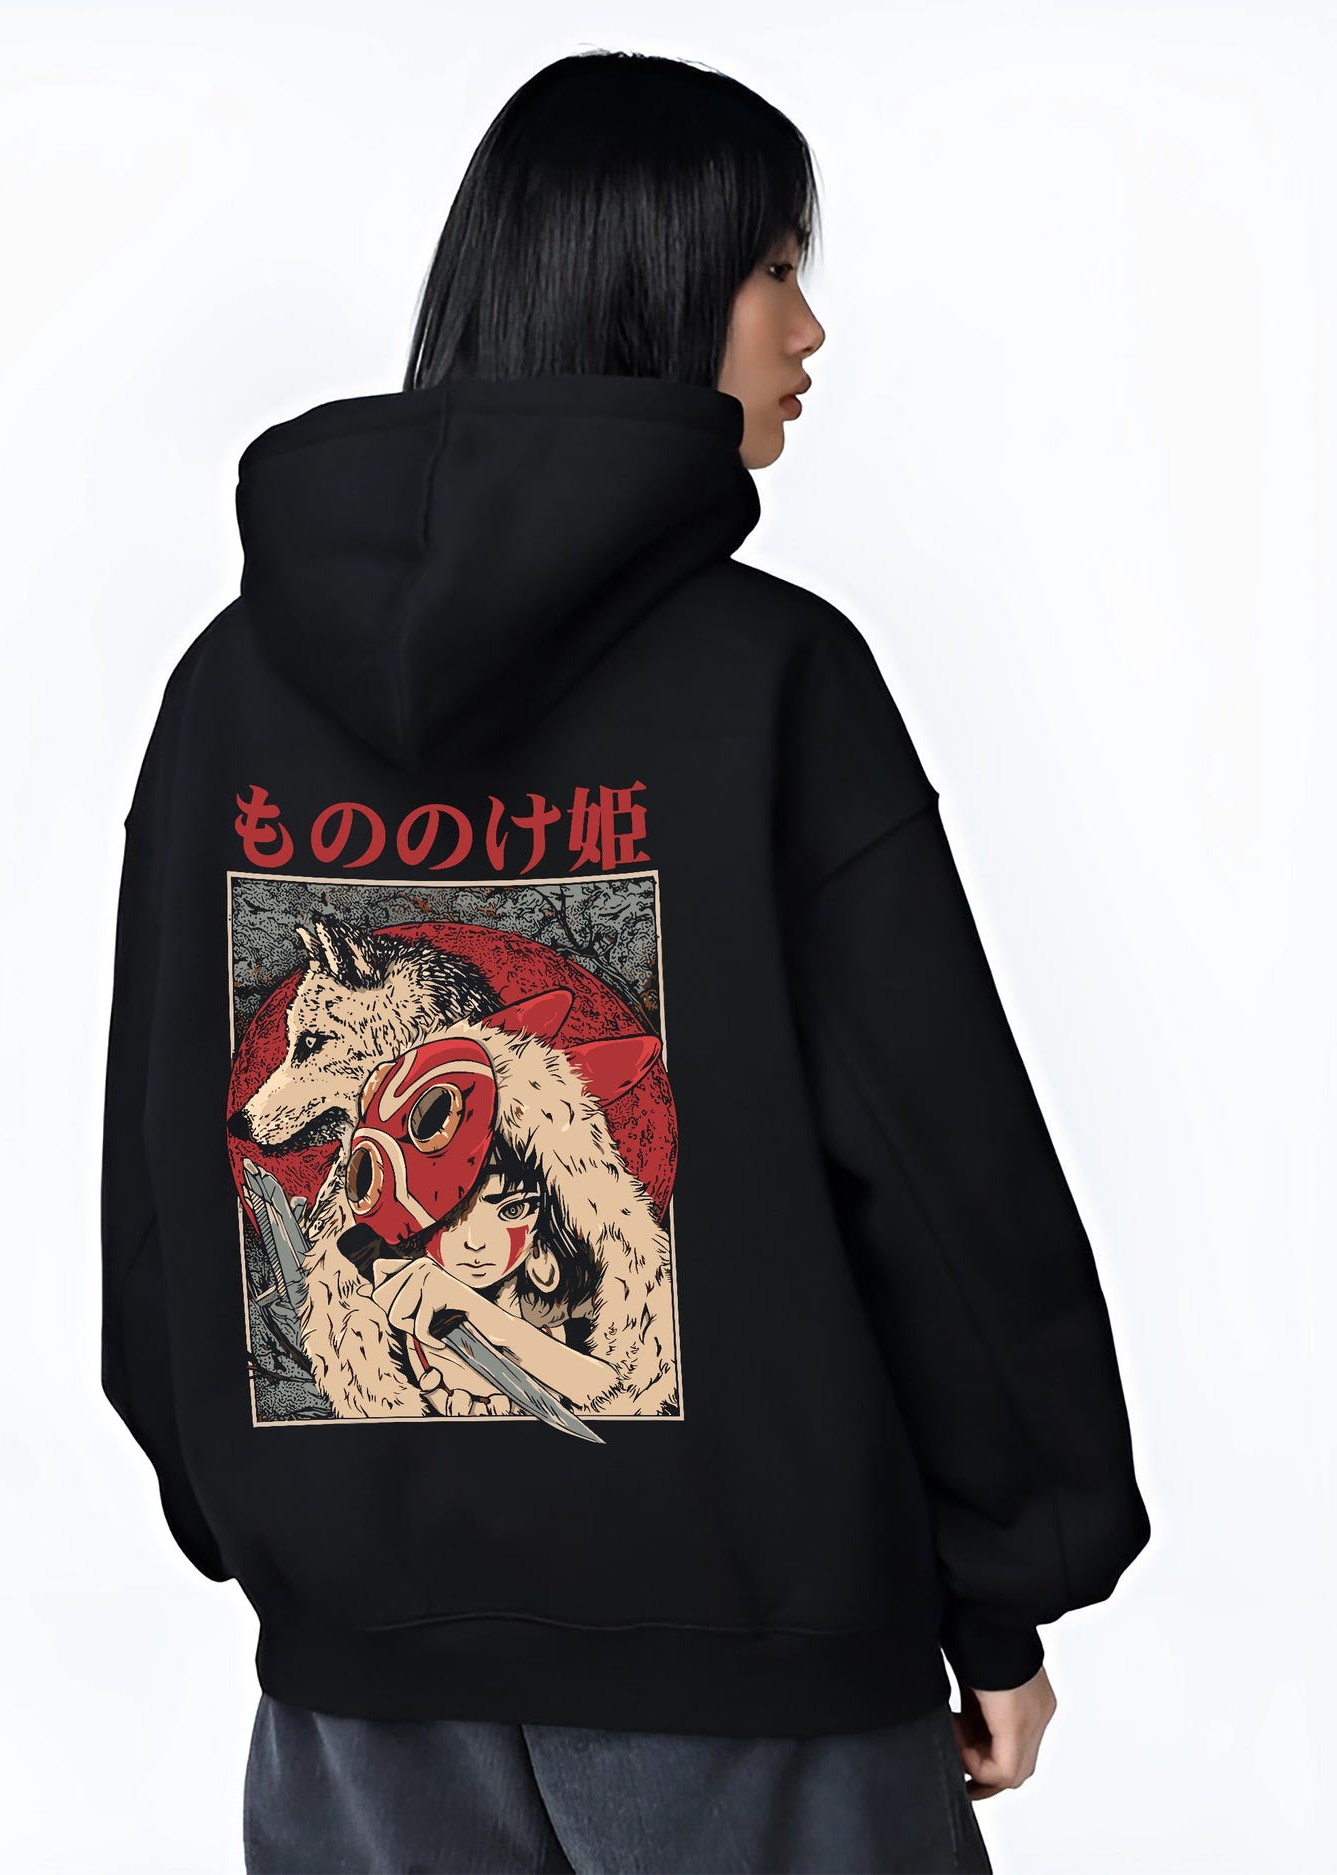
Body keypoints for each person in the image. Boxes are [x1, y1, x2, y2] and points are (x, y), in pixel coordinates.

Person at [100, 47, 1152, 1875]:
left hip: (357, 1702)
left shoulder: (227, 693)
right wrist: (1005, 1580)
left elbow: (155, 1179)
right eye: (772, 268)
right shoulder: (771, 682)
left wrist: (290, 1529)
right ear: (654, 285)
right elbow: (941, 1176)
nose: (808, 331)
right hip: (759, 1702)